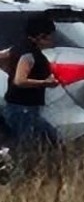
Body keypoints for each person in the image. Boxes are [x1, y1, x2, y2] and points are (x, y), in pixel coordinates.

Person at [2, 13, 61, 162]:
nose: (52, 40)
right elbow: (20, 81)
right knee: (25, 148)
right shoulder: (29, 54)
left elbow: (3, 57)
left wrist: (9, 69)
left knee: (51, 139)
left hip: (22, 108)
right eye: (49, 36)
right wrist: (45, 83)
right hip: (23, 109)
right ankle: (19, 178)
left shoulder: (17, 48)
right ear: (41, 36)